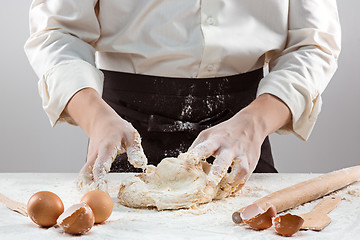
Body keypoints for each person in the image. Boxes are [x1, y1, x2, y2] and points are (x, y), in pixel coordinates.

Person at [25, 0, 341, 192]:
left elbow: (312, 44)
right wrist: (94, 117)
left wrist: (256, 123)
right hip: (122, 130)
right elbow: (57, 35)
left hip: (241, 135)